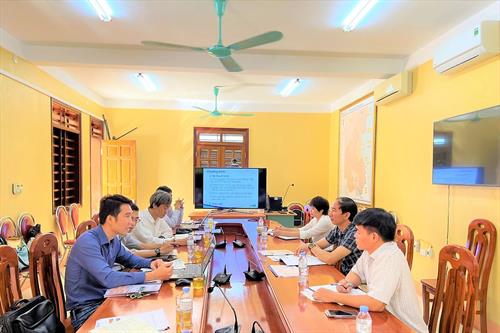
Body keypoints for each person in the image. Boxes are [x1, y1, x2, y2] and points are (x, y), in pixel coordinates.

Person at [65, 194, 174, 330]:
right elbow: (108, 278)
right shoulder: (88, 242)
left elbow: (130, 258)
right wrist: (153, 276)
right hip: (86, 309)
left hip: (105, 298)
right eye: (127, 216)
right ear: (110, 219)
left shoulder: (113, 239)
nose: (131, 222)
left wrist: (152, 263)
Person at [312, 208, 428, 333]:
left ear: (373, 237)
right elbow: (356, 273)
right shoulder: (370, 250)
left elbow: (376, 303)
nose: (354, 235)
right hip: (383, 320)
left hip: (403, 326)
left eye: (358, 232)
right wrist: (348, 283)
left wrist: (334, 296)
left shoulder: (390, 257)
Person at [294, 197, 361, 275]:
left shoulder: (355, 233)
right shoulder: (338, 228)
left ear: (346, 215)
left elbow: (330, 259)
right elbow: (319, 245)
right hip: (342, 274)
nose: (329, 214)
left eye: (334, 210)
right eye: (331, 210)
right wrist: (310, 246)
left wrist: (310, 246)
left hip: (355, 280)